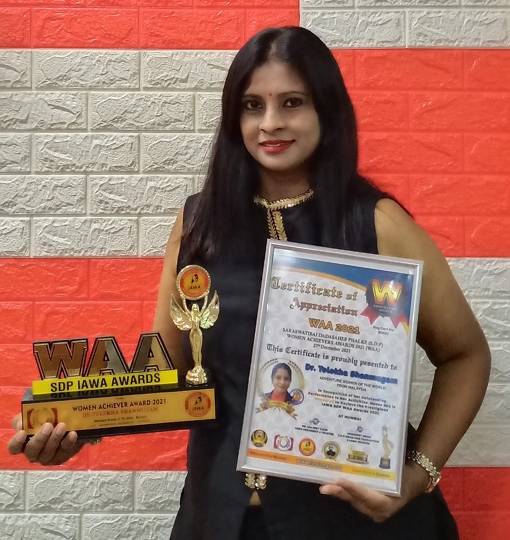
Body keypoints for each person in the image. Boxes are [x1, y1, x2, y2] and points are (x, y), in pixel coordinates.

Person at [8, 26, 490, 540]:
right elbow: (170, 375)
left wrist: (417, 475)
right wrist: (81, 422)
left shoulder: (376, 223)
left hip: (353, 524)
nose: (271, 122)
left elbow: (466, 355)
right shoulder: (199, 224)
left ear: (326, 110)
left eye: (292, 102)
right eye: (252, 105)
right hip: (218, 520)